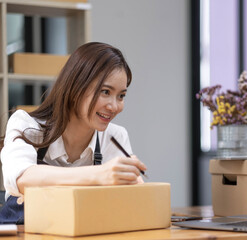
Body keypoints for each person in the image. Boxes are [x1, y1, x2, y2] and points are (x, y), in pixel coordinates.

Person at [0, 42, 147, 224]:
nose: (114, 106)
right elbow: (23, 179)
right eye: (105, 92)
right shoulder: (26, 124)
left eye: (121, 96)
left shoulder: (115, 136)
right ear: (76, 87)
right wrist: (100, 175)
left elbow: (121, 205)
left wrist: (134, 187)